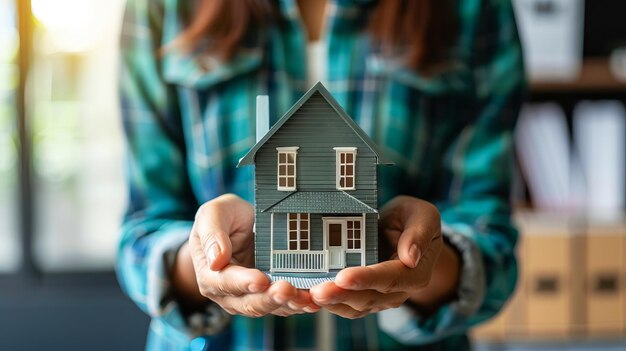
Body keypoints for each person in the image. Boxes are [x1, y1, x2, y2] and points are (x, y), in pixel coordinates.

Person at [116, 0, 525, 350]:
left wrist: (427, 262)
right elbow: (143, 229)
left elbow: (491, 235)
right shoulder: (164, 7)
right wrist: (204, 260)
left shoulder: (473, 8)